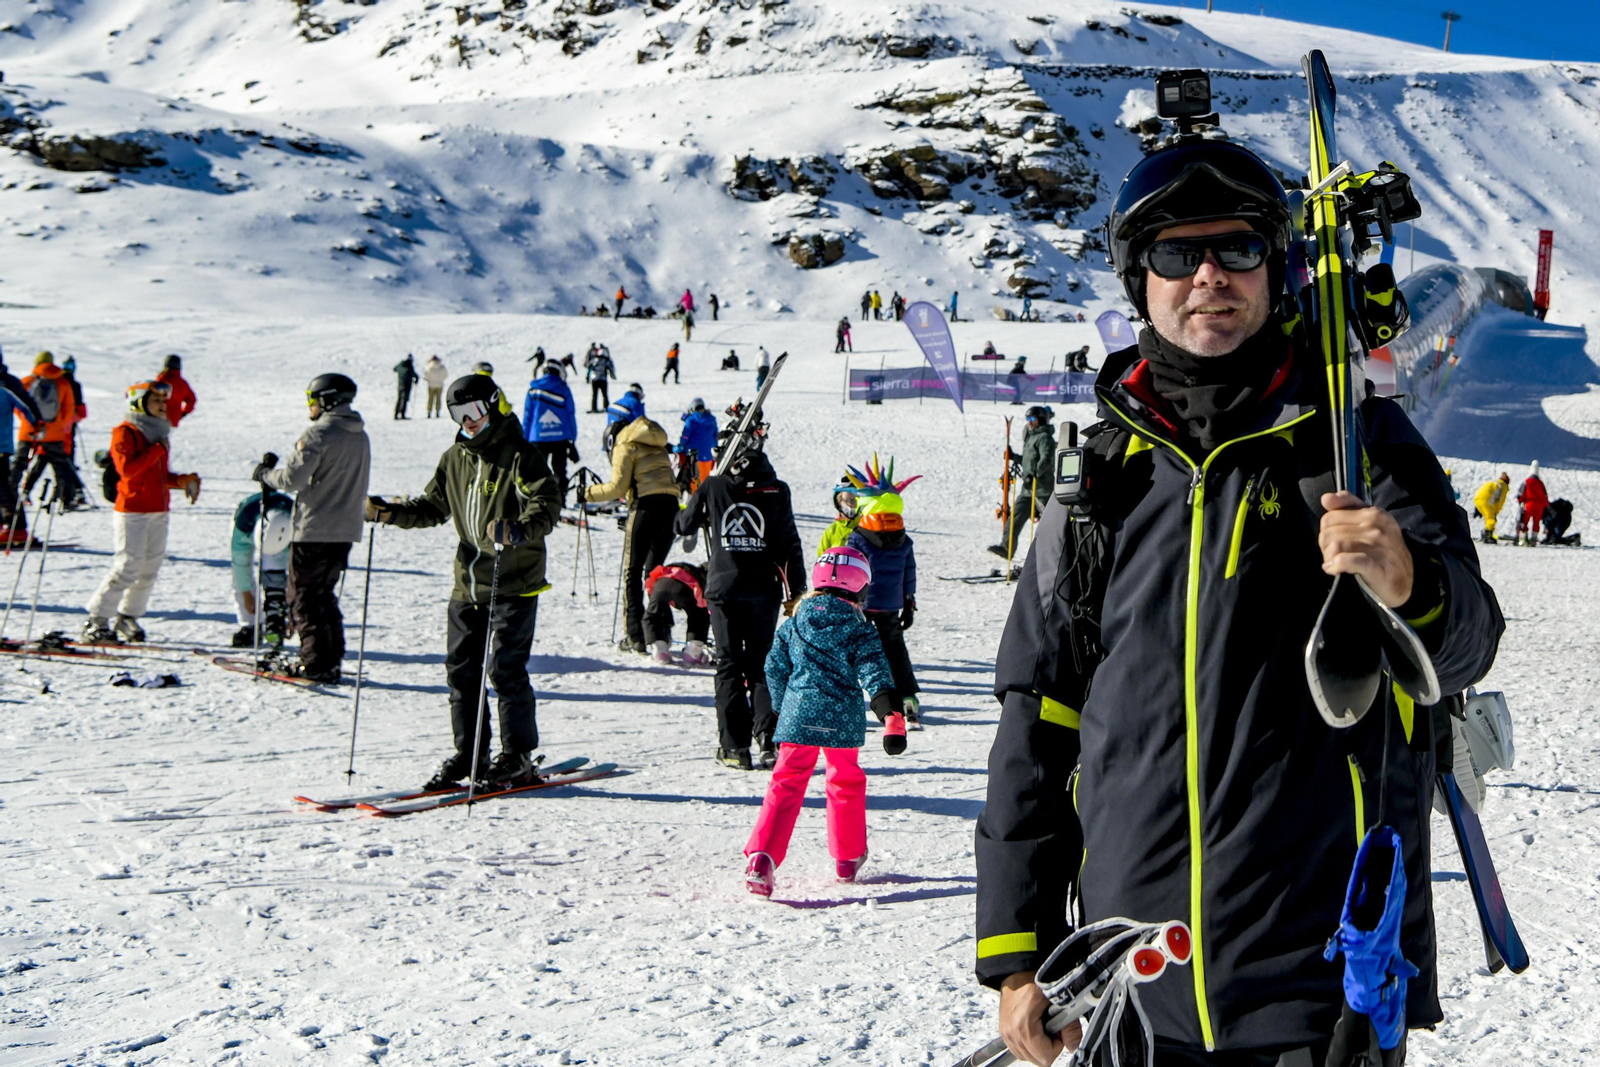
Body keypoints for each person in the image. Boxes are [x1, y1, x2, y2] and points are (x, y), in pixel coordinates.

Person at [979, 135, 1503, 1067]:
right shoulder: (1100, 480)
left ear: (1280, 268)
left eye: (1238, 248)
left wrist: (1405, 580)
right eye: (1178, 254)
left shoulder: (1356, 444)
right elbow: (1039, 714)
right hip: (1128, 995)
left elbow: (1466, 643)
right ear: (1140, 280)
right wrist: (1018, 955)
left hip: (1321, 993)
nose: (1209, 274)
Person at [367, 374, 561, 791]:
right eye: (458, 414)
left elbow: (547, 503)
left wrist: (519, 529)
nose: (467, 421)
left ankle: (517, 756)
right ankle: (470, 753)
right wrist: (388, 512)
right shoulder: (454, 457)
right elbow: (431, 507)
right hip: (468, 581)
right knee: (461, 672)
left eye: (473, 411)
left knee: (505, 670)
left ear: (493, 406)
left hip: (513, 580)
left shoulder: (518, 455)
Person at [743, 545, 902, 897]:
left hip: (798, 716)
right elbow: (874, 672)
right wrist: (888, 710)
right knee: (844, 782)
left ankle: (761, 858)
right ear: (861, 586)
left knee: (785, 783)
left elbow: (773, 666)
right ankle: (847, 858)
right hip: (841, 720)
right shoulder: (860, 626)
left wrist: (786, 707)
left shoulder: (795, 620)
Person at [675, 438, 807, 770]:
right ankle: (767, 738)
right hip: (764, 590)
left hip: (724, 588)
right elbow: (789, 544)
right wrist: (797, 593)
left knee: (729, 666)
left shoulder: (715, 484)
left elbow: (683, 525)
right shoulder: (778, 490)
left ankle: (734, 748)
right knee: (762, 664)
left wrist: (704, 506)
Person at [256, 373, 372, 683]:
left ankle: (317, 663)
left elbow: (292, 479)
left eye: (312, 399)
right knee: (323, 593)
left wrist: (266, 475)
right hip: (345, 529)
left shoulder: (319, 435)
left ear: (326, 400)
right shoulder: (359, 434)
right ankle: (329, 656)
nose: (309, 406)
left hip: (315, 527)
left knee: (304, 597)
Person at [82, 381, 201, 643]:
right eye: (156, 401)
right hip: (132, 510)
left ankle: (128, 617)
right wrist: (158, 449)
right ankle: (97, 619)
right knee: (128, 565)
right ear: (138, 403)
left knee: (150, 567)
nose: (163, 406)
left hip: (159, 510)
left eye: (163, 401)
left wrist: (181, 481)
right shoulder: (125, 433)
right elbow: (128, 471)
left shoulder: (158, 434)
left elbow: (156, 475)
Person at [581, 399, 678, 653]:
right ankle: (661, 633)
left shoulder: (625, 444)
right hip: (670, 509)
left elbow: (617, 488)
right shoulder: (658, 445)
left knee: (633, 572)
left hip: (645, 509)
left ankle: (635, 635)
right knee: (655, 572)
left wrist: (588, 493)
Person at [844, 458, 921, 726]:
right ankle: (909, 698)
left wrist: (844, 600)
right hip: (890, 605)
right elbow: (909, 571)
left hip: (861, 605)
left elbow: (849, 570)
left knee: (850, 652)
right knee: (895, 651)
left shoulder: (858, 537)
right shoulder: (903, 537)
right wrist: (909, 602)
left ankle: (845, 701)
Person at [16, 351, 86, 510]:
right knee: (62, 465)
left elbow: (17, 405)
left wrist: (28, 422)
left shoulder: (28, 381)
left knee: (24, 463)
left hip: (30, 430)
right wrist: (60, 425)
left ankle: (14, 495)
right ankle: (67, 498)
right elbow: (71, 409)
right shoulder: (64, 383)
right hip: (57, 434)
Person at [229, 487, 293, 649]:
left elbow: (298, 575)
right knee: (239, 576)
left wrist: (294, 613)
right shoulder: (243, 523)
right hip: (251, 519)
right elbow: (241, 564)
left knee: (275, 574)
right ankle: (250, 624)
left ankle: (276, 619)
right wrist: (246, 593)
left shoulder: (298, 524)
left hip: (284, 528)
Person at [989, 406, 1055, 559]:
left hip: (1042, 490)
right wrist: (1014, 457)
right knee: (1015, 518)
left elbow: (1047, 460)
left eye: (1032, 419)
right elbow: (1029, 462)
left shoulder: (1045, 438)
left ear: (1041, 419)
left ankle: (1052, 555)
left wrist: (1034, 475)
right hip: (1028, 490)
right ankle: (1006, 548)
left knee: (1049, 524)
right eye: (1028, 419)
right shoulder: (1031, 437)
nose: (1030, 423)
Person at [0, 349, 43, 545]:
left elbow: (28, 406)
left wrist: (37, 425)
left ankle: (16, 528)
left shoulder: (6, 382)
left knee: (4, 488)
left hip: (1, 445)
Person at [521, 364, 579, 506]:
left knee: (538, 471)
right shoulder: (564, 389)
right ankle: (560, 501)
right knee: (559, 471)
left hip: (538, 437)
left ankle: (538, 500)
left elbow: (527, 416)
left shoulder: (533, 390)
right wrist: (572, 438)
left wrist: (525, 439)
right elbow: (570, 414)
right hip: (561, 437)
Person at [644, 560, 711, 666]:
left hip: (660, 583)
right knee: (698, 615)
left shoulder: (686, 568)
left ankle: (660, 649)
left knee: (653, 615)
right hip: (684, 587)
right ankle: (693, 651)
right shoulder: (701, 576)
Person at [675, 398, 719, 490]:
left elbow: (685, 437)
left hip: (693, 455)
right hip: (708, 454)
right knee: (704, 478)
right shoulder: (711, 419)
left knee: (694, 479)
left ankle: (695, 497)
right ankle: (704, 496)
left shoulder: (691, 420)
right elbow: (715, 436)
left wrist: (680, 447)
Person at [816, 476, 861, 557]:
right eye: (846, 500)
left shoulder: (867, 529)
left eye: (855, 500)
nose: (850, 504)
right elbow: (820, 561)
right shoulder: (831, 531)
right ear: (839, 502)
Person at [156, 354, 196, 427]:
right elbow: (192, 400)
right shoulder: (183, 383)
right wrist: (183, 413)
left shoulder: (162, 379)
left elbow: (153, 396)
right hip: (173, 420)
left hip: (159, 417)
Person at [1515, 461, 1548, 546]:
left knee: (1525, 521)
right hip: (1539, 505)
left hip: (1529, 504)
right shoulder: (1541, 483)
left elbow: (1521, 494)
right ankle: (1534, 538)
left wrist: (1520, 500)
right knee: (1536, 522)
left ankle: (1524, 537)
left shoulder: (1527, 482)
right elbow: (1545, 495)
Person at [1472, 472, 1510, 544]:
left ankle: (1485, 533)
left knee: (1488, 518)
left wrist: (1478, 507)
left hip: (1478, 498)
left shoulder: (1495, 483)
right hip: (1486, 500)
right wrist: (1496, 512)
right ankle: (1488, 535)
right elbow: (1500, 501)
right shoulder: (1503, 486)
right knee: (1491, 519)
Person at [585, 344, 616, 413]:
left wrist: (588, 377)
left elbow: (588, 366)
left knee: (594, 395)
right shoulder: (606, 361)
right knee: (604, 394)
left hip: (594, 379)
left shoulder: (594, 360)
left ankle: (594, 408)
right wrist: (613, 376)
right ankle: (606, 407)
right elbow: (611, 368)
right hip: (603, 380)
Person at [393, 354, 420, 419]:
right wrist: (416, 380)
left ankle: (396, 414)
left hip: (400, 385)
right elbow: (415, 375)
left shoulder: (400, 365)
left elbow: (394, 369)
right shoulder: (409, 366)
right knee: (404, 400)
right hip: (407, 385)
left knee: (399, 399)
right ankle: (402, 414)